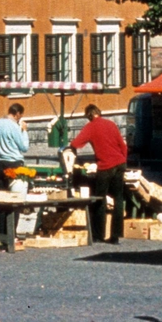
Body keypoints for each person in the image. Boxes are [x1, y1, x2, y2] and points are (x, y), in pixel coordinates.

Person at [69, 104, 129, 245]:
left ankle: (98, 233)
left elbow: (76, 143)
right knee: (118, 198)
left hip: (105, 165)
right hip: (119, 162)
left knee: (100, 198)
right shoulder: (111, 123)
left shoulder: (91, 127)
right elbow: (123, 145)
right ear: (99, 113)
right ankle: (116, 234)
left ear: (89, 116)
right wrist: (123, 160)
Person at [0, 103, 30, 190]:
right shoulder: (14, 126)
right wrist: (24, 131)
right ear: (17, 114)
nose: (20, 118)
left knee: (1, 191)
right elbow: (24, 147)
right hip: (14, 162)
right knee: (15, 192)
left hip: (0, 162)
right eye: (21, 115)